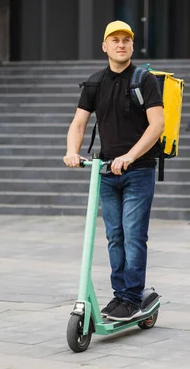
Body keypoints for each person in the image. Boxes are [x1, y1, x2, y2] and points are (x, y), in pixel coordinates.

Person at [63, 20, 165, 321]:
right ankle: (121, 295)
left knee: (134, 235)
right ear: (105, 46)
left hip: (138, 170)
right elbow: (79, 123)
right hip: (107, 172)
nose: (121, 44)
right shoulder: (95, 83)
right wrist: (72, 151)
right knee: (115, 236)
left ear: (132, 46)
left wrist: (130, 157)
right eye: (115, 40)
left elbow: (157, 124)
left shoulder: (144, 80)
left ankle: (132, 297)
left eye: (126, 40)